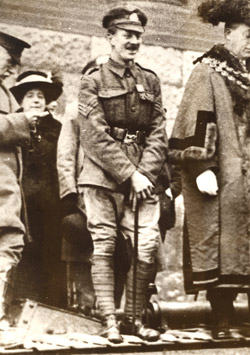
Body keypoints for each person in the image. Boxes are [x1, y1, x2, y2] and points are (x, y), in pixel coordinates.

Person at [78, 6, 168, 343]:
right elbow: (94, 135)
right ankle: (109, 321)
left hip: (144, 175)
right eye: (127, 35)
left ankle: (133, 319)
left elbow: (159, 131)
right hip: (102, 176)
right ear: (110, 37)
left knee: (146, 244)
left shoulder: (150, 80)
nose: (133, 41)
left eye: (138, 36)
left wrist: (144, 172)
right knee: (104, 243)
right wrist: (129, 173)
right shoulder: (93, 81)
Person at [169, 0, 250, 339]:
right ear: (229, 33)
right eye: (248, 35)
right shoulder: (208, 71)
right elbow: (197, 118)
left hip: (246, 175)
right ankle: (220, 320)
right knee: (220, 244)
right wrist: (202, 165)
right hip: (223, 173)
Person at [0, 32, 49, 327]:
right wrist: (22, 122)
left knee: (9, 243)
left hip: (6, 188)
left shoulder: (5, 92)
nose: (12, 67)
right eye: (9, 59)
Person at [10, 70, 64, 307]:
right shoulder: (11, 127)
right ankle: (20, 305)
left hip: (51, 203)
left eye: (40, 95)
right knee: (24, 254)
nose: (35, 100)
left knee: (52, 254)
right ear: (21, 101)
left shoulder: (56, 128)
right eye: (30, 95)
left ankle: (52, 307)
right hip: (22, 203)